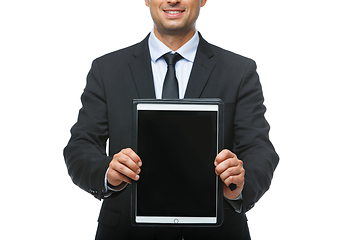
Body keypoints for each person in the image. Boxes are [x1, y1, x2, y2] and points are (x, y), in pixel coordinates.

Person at [64, 0, 279, 239]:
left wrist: (239, 184)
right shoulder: (107, 70)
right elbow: (80, 146)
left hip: (218, 232)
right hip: (126, 232)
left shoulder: (239, 71)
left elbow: (259, 149)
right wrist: (108, 173)